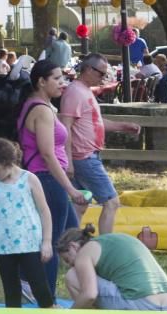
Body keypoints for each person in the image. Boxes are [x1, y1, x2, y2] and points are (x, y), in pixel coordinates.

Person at [16, 58, 86, 297]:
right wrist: (71, 189)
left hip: (48, 179)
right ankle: (45, 295)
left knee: (74, 238)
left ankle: (86, 288)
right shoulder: (40, 110)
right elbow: (46, 153)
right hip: (47, 179)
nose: (62, 83)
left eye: (62, 78)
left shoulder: (41, 107)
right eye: (56, 79)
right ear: (41, 82)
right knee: (54, 241)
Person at [60, 54, 140, 234]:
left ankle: (67, 245)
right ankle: (106, 247)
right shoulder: (75, 92)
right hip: (84, 158)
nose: (103, 77)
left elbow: (94, 121)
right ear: (88, 69)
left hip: (85, 156)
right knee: (112, 202)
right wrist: (69, 160)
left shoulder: (84, 90)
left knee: (80, 204)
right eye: (101, 73)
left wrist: (123, 126)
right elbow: (65, 127)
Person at [0, 138, 54, 308]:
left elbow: (44, 211)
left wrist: (46, 241)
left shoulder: (29, 179)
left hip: (29, 243)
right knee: (11, 290)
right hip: (3, 244)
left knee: (39, 286)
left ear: (9, 163)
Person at [57, 224, 167, 311]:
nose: (70, 264)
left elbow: (90, 294)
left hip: (142, 303)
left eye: (68, 259)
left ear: (73, 246)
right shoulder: (112, 241)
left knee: (72, 275)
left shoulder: (84, 253)